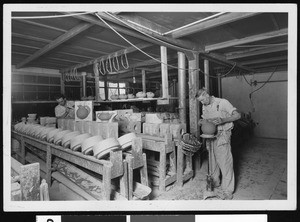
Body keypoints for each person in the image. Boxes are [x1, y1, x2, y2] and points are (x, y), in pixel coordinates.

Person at [196, 87, 241, 200]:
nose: (202, 103)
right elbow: (206, 120)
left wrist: (224, 120)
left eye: (202, 100)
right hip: (210, 137)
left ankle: (228, 190)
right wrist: (202, 121)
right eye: (200, 101)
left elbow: (237, 115)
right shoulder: (204, 106)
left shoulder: (223, 102)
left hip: (222, 136)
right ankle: (215, 183)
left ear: (206, 95)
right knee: (212, 162)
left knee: (225, 162)